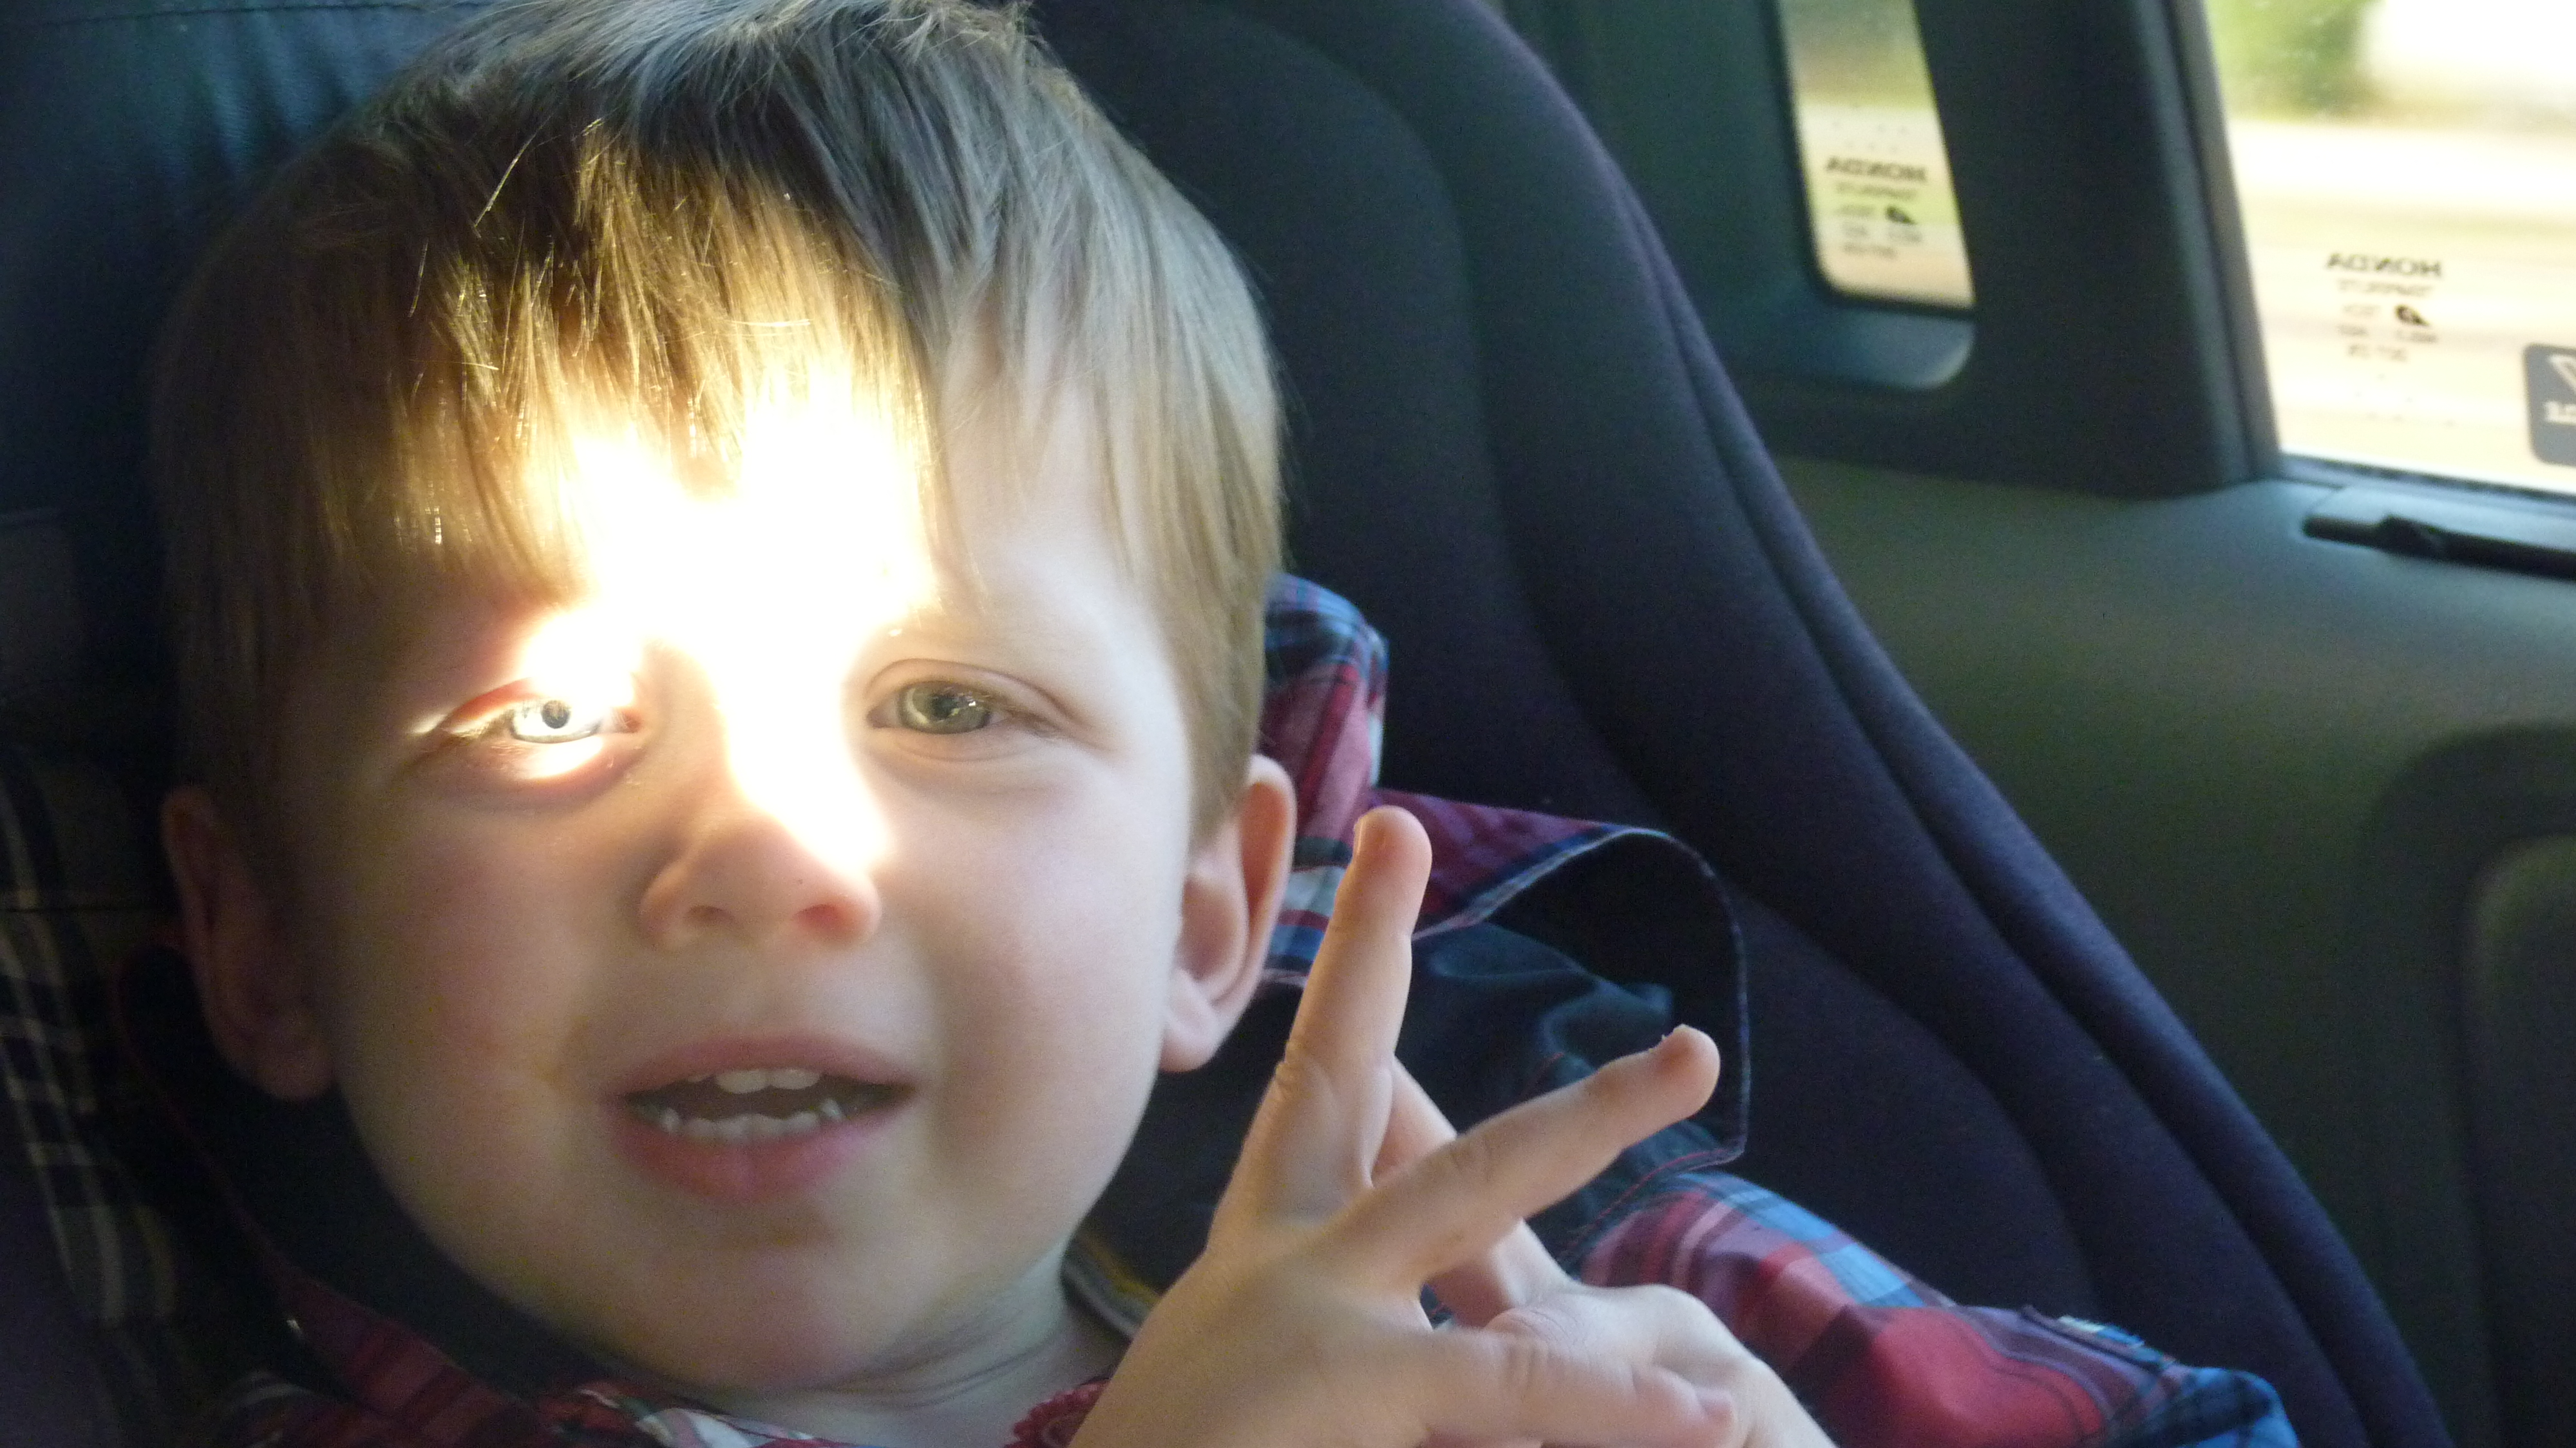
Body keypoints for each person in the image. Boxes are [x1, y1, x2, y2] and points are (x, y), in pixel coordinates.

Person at [134, 1, 2292, 1444]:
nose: (772, 856)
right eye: (546, 718)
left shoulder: (1517, 1254)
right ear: (272, 943)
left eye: (945, 702)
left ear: (1207, 916)